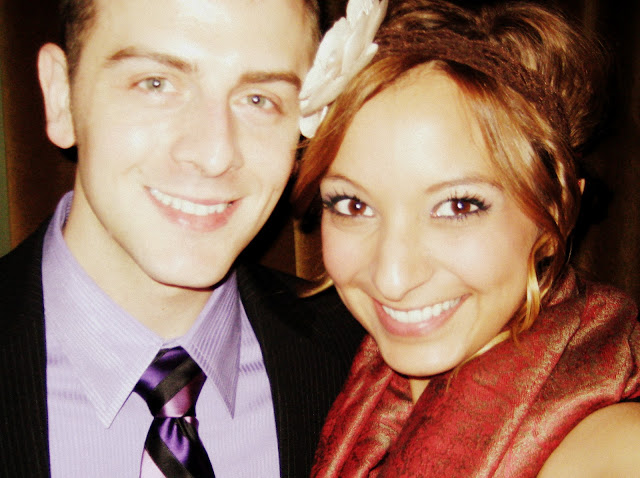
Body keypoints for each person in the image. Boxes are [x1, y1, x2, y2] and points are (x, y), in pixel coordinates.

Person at [0, 0, 365, 476]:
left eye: (259, 99)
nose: (214, 155)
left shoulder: (366, 364)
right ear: (61, 96)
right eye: (156, 84)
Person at [293, 0, 640, 476]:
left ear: (555, 215)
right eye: (353, 205)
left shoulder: (616, 449)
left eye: (458, 206)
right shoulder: (356, 397)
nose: (393, 278)